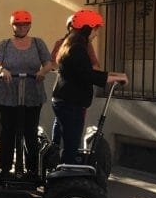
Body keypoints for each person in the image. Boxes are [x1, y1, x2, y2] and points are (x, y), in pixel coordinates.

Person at [52, 9, 128, 164]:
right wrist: (113, 78)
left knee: (70, 142)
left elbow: (87, 70)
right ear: (87, 28)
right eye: (95, 29)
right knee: (71, 144)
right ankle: (67, 178)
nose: (96, 34)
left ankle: (65, 170)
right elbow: (87, 74)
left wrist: (114, 75)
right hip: (70, 103)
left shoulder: (73, 45)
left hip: (66, 101)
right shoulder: (77, 48)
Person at [0, 10, 53, 179]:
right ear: (13, 26)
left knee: (30, 131)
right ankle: (5, 168)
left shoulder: (38, 43)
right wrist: (2, 70)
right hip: (8, 92)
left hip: (32, 92)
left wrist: (42, 71)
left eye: (25, 24)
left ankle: (32, 169)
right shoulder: (5, 44)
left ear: (29, 26)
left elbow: (49, 63)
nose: (22, 27)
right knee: (8, 130)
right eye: (18, 24)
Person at [50, 14, 101, 144]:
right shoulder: (62, 43)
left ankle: (65, 152)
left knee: (70, 128)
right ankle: (56, 149)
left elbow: (95, 64)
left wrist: (89, 72)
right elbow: (53, 63)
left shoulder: (86, 45)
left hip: (78, 87)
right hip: (65, 87)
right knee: (61, 123)